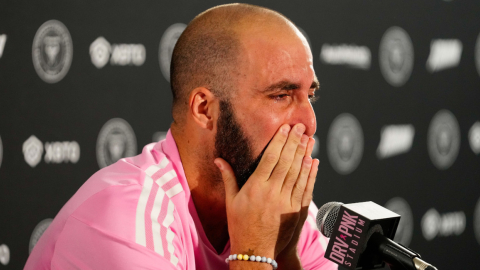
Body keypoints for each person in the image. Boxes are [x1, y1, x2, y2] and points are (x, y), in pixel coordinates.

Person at [25, 3, 336, 270]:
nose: (310, 122)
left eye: (310, 96)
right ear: (204, 109)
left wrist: (284, 255)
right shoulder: (127, 217)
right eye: (281, 95)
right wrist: (253, 254)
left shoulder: (278, 207)